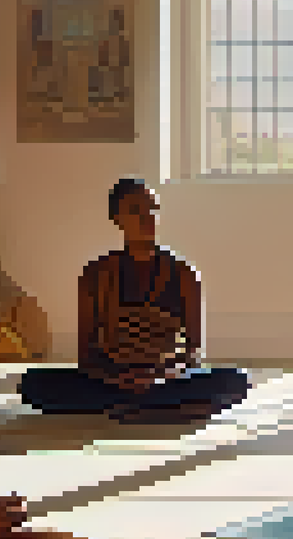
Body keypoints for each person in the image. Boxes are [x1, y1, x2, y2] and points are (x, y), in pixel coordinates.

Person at [19, 178, 250, 424]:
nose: (147, 217)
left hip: (164, 379)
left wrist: (164, 375)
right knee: (32, 384)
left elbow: (193, 349)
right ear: (117, 219)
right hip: (113, 379)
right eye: (136, 211)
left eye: (152, 209)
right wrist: (116, 378)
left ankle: (132, 407)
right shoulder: (95, 274)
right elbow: (86, 352)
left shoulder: (183, 274)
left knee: (235, 379)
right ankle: (154, 408)